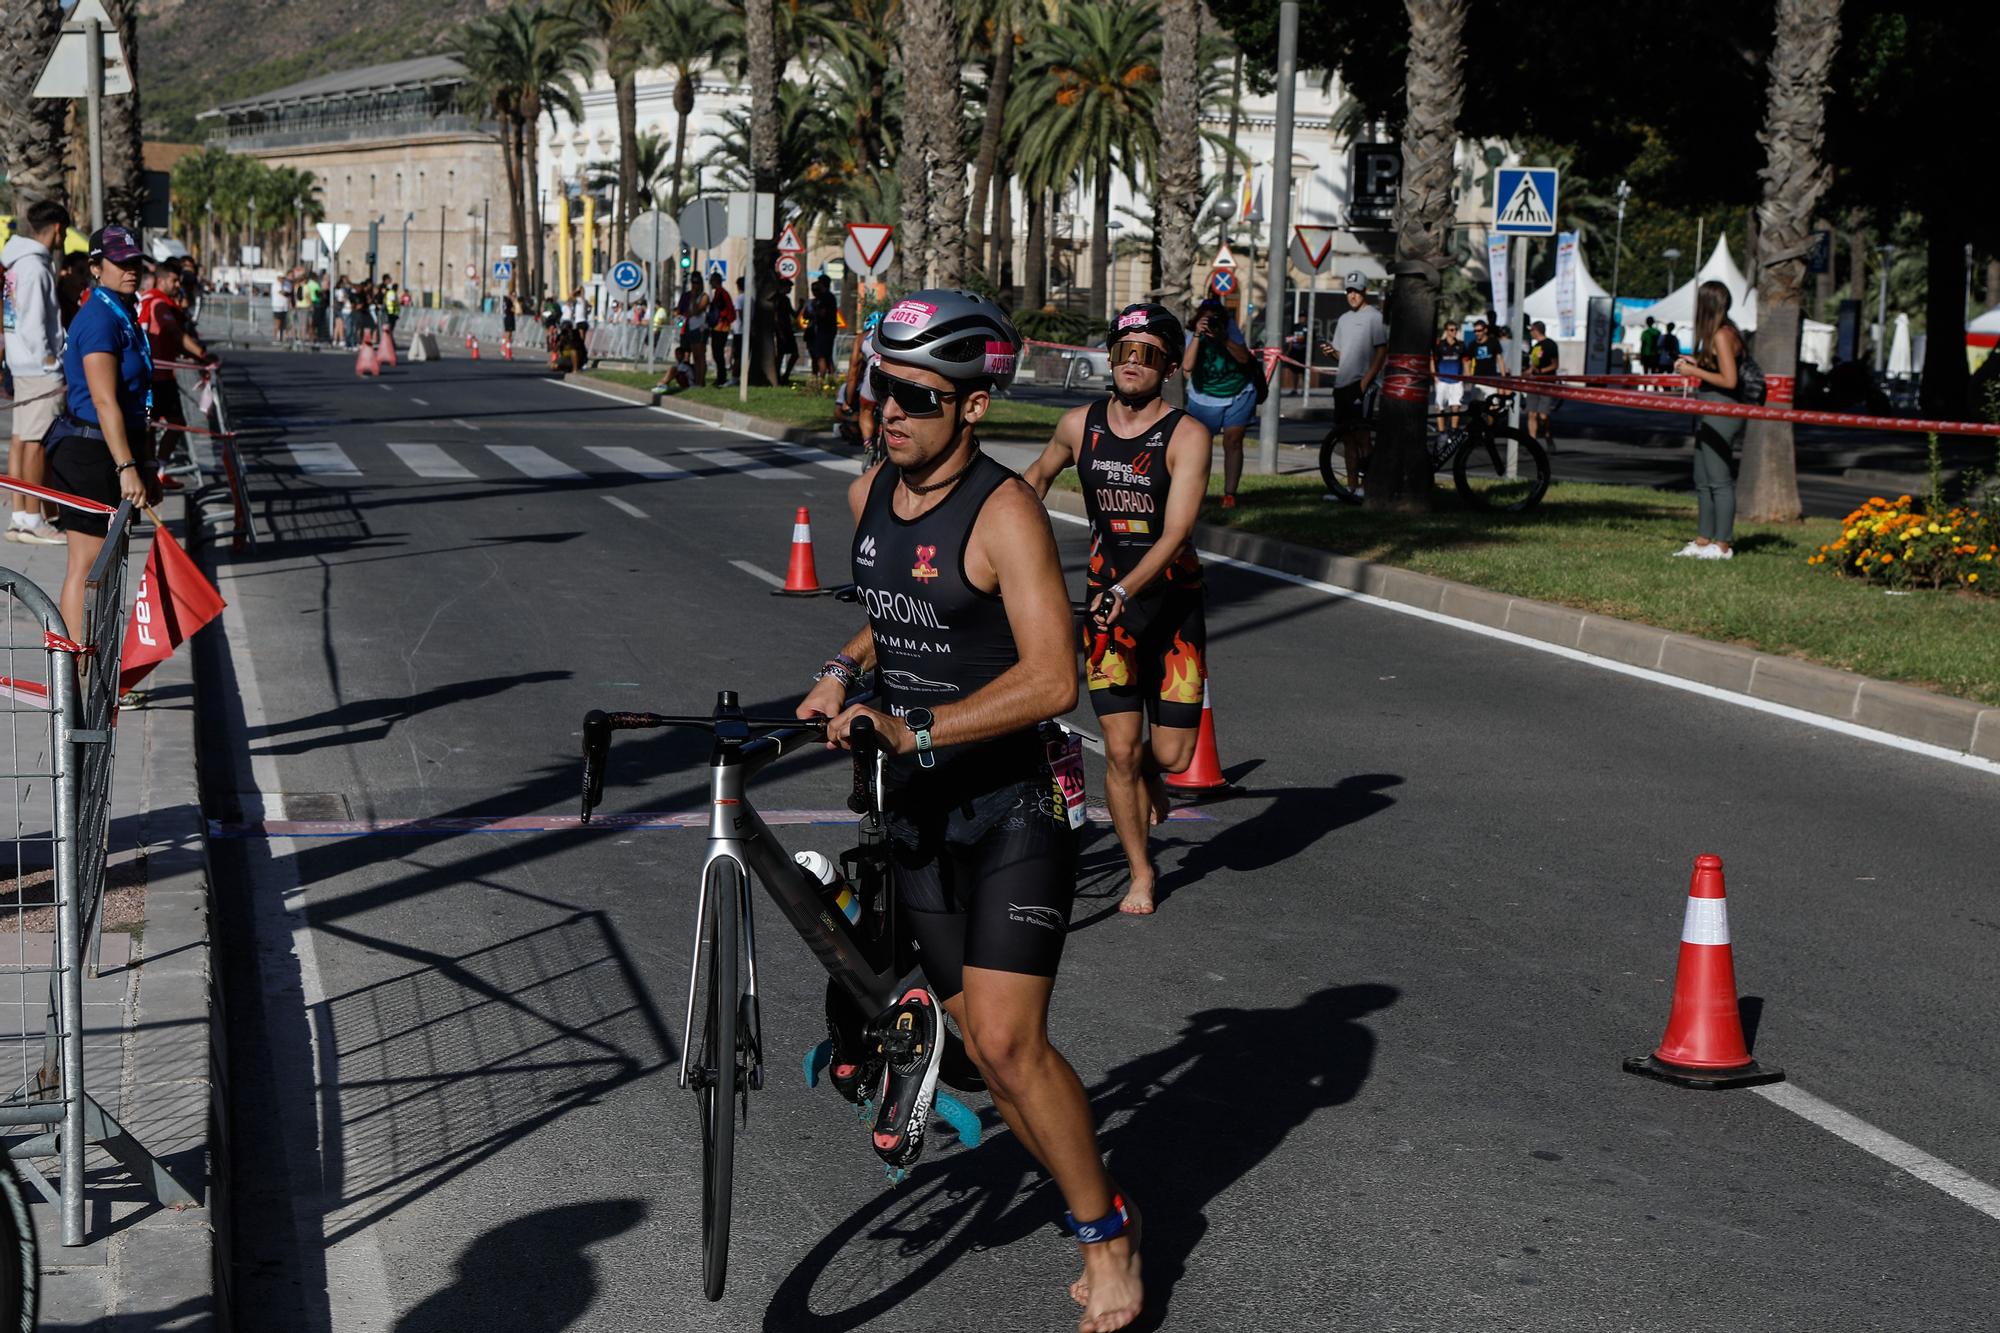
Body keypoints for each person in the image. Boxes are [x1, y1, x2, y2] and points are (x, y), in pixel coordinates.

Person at [796, 288, 1144, 1333]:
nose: (887, 411)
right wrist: (834, 670)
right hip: (914, 809)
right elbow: (896, 612)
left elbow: (1052, 680)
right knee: (984, 1047)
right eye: (878, 390)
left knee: (1008, 1038)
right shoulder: (867, 498)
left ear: (974, 408)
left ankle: (1107, 1235)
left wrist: (921, 729)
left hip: (1013, 802)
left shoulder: (1004, 513)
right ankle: (1089, 1200)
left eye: (915, 397)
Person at [1026, 303, 1211, 916]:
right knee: (1122, 751)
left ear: (1167, 367)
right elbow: (1035, 483)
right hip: (1108, 614)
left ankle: (1151, 778)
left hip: (1171, 606)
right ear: (1110, 357)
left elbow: (1176, 533)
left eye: (1150, 354)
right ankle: (1142, 871)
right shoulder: (1081, 426)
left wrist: (1127, 589)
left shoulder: (1188, 436)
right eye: (1125, 350)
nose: (1134, 363)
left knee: (1171, 757)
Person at [44, 227, 158, 637]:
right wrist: (128, 465)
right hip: (89, 453)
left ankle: (100, 678)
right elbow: (105, 400)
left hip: (113, 450)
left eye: (135, 262)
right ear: (95, 267)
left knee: (106, 570)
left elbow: (134, 399)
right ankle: (73, 677)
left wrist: (144, 463)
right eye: (120, 262)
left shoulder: (123, 312)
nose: (131, 269)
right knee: (88, 564)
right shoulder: (97, 317)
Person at [3, 198, 73, 545]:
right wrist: (50, 361)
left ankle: (20, 515)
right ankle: (32, 518)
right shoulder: (34, 266)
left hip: (21, 362)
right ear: (58, 229)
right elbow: (33, 322)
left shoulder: (17, 262)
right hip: (37, 367)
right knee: (35, 444)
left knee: (21, 441)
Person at [1673, 281, 1746, 561]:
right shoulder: (1721, 334)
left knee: (1719, 480)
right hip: (1711, 409)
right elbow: (1721, 368)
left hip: (1722, 411)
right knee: (1702, 478)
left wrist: (1694, 370)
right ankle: (1704, 540)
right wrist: (1698, 363)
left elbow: (1730, 379)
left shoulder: (1722, 335)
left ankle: (1723, 544)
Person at [137, 257, 210, 479]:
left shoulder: (154, 300)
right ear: (161, 279)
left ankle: (156, 469)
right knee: (161, 425)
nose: (178, 285)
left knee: (166, 424)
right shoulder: (158, 303)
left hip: (159, 376)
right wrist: (202, 355)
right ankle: (153, 470)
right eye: (174, 280)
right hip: (154, 378)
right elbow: (177, 336)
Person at [1180, 297, 1253, 508]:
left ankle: (1230, 495)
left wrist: (1223, 338)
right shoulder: (1193, 331)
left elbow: (1243, 358)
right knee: (1200, 444)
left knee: (1233, 440)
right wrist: (1197, 335)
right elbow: (1187, 366)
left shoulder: (1229, 327)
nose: (1210, 321)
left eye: (1214, 317)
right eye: (1206, 317)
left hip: (1238, 392)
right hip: (1203, 396)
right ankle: (1196, 493)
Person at [1322, 272, 1387, 499]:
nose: (1352, 295)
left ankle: (1368, 488)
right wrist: (1332, 353)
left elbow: (1381, 351)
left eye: (1356, 291)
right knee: (1346, 437)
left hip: (1362, 385)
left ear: (1364, 292)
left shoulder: (1374, 317)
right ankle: (1350, 488)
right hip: (1342, 384)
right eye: (1349, 291)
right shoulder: (1343, 319)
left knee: (1363, 437)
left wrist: (1366, 381)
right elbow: (1342, 355)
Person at [1523, 318, 1559, 446]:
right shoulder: (1535, 346)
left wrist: (1541, 371)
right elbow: (1533, 365)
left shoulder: (1550, 345)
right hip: (1533, 383)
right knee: (1531, 413)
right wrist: (1526, 372)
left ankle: (1549, 439)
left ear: (1537, 330)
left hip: (1546, 383)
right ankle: (1532, 443)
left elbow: (1555, 365)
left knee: (1543, 415)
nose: (1530, 333)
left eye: (1531, 330)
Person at [1432, 318, 1466, 432]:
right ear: (1446, 331)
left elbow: (1465, 361)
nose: (1454, 332)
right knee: (1439, 407)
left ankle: (1453, 430)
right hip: (1442, 381)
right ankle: (1441, 431)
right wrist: (1435, 377)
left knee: (1456, 407)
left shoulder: (1461, 345)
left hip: (1457, 381)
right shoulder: (1439, 345)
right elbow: (1432, 360)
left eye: (1455, 330)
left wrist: (1465, 376)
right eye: (1451, 330)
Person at [806, 274, 839, 385]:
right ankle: (832, 379)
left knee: (821, 356)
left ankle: (821, 380)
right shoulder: (829, 297)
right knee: (828, 356)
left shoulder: (825, 297)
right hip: (828, 330)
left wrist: (814, 309)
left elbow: (823, 313)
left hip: (824, 330)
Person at [675, 275, 708, 384]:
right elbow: (687, 313)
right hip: (692, 328)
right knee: (695, 356)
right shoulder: (689, 296)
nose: (695, 285)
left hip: (701, 329)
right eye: (693, 283)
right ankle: (696, 380)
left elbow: (696, 311)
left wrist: (693, 298)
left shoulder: (704, 296)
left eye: (697, 283)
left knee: (700, 356)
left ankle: (701, 381)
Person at [707, 271, 736, 387]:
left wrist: (717, 317)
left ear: (716, 281)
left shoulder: (721, 293)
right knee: (717, 353)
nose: (710, 284)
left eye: (712, 281)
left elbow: (723, 309)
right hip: (720, 327)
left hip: (721, 327)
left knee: (718, 352)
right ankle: (721, 377)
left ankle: (721, 378)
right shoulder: (720, 293)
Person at [770, 282, 799, 382]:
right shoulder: (779, 299)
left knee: (792, 354)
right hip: (782, 330)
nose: (790, 289)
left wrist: (801, 307)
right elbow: (776, 316)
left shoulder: (786, 299)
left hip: (787, 329)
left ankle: (784, 375)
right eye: (789, 287)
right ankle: (778, 375)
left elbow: (794, 315)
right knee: (781, 354)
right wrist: (779, 331)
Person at [270, 269, 291, 343]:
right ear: (278, 278)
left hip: (285, 306)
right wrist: (289, 294)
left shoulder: (287, 284)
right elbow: (283, 293)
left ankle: (282, 338)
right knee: (277, 323)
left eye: (283, 278)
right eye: (281, 278)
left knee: (284, 324)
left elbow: (289, 292)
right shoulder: (275, 284)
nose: (282, 279)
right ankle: (276, 338)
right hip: (277, 307)